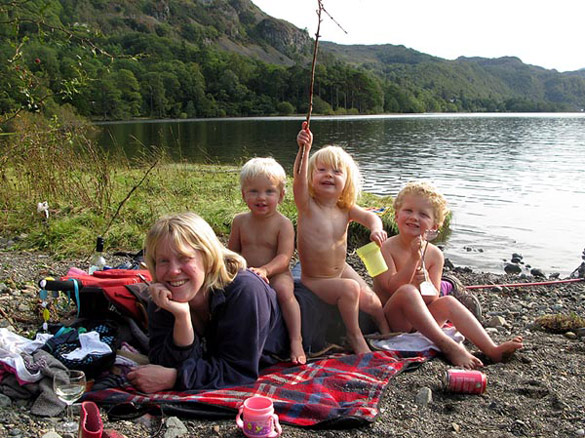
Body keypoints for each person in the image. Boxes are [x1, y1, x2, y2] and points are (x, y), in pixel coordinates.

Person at [127, 212, 289, 392]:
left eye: (184, 258)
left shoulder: (245, 291)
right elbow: (163, 363)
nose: (173, 271)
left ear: (208, 258)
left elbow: (239, 371)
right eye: (163, 261)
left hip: (312, 328)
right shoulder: (162, 295)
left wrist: (176, 378)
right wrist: (182, 317)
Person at [373, 181, 523, 368]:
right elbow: (390, 287)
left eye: (423, 214)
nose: (414, 217)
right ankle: (448, 346)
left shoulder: (435, 254)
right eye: (408, 211)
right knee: (408, 291)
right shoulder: (384, 248)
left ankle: (492, 349)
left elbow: (433, 296)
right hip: (392, 321)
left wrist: (424, 283)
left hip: (421, 319)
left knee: (448, 301)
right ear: (396, 216)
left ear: (434, 227)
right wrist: (413, 259)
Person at [295, 123, 390, 355]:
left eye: (337, 172)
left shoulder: (345, 208)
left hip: (339, 269)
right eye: (322, 170)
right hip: (315, 278)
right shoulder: (307, 205)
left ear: (346, 181)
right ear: (311, 176)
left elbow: (370, 217)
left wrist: (376, 229)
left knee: (374, 303)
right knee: (349, 290)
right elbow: (297, 179)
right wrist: (304, 150)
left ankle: (388, 334)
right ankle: (354, 336)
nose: (329, 175)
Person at [227, 157, 305, 364]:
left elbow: (284, 257)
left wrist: (264, 270)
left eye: (269, 191)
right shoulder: (239, 221)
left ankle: (296, 339)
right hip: (245, 273)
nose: (261, 197)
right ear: (244, 194)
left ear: (281, 195)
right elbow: (232, 251)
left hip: (277, 273)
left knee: (285, 293)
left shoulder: (283, 224)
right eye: (254, 191)